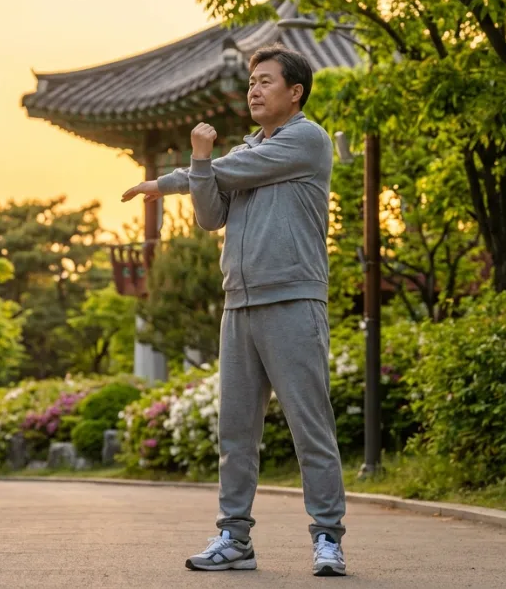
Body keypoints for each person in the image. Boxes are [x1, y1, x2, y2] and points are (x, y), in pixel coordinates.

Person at [121, 44, 347, 576]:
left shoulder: (306, 141)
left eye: (266, 81)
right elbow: (208, 215)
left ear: (295, 92)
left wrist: (173, 176)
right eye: (251, 82)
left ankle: (328, 538)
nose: (254, 89)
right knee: (236, 432)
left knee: (309, 426)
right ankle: (234, 537)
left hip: (292, 298)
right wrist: (198, 168)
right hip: (239, 304)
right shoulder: (243, 156)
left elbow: (230, 170)